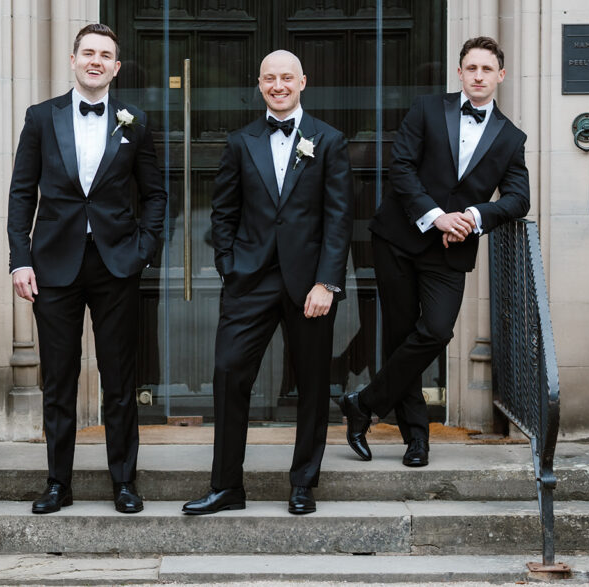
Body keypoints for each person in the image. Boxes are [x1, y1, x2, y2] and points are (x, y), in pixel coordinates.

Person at [340, 36, 530, 468]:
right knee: (400, 335)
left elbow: (519, 198)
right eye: (471, 68)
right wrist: (437, 216)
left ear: (500, 75)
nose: (478, 76)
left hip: (451, 253)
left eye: (487, 69)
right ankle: (416, 439)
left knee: (437, 331)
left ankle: (364, 404)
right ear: (459, 73)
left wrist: (473, 217)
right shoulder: (427, 109)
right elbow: (401, 168)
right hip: (399, 241)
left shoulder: (511, 137)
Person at [182, 50, 354, 516]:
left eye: (287, 78)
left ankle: (303, 483)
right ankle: (226, 487)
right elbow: (224, 210)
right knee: (228, 375)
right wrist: (228, 265)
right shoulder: (240, 142)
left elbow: (339, 220)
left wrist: (327, 283)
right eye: (270, 79)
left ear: (303, 81)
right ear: (259, 84)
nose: (279, 86)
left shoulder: (330, 140)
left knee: (314, 386)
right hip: (250, 281)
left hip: (310, 286)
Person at [7, 23, 167, 514]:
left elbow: (157, 194)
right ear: (73, 60)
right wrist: (20, 259)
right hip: (53, 266)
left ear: (116, 67)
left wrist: (142, 248)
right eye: (88, 53)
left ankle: (124, 482)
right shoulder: (40, 118)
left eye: (106, 55)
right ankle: (58, 483)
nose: (96, 61)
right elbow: (21, 193)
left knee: (119, 380)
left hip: (117, 265)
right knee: (58, 380)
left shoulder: (135, 121)